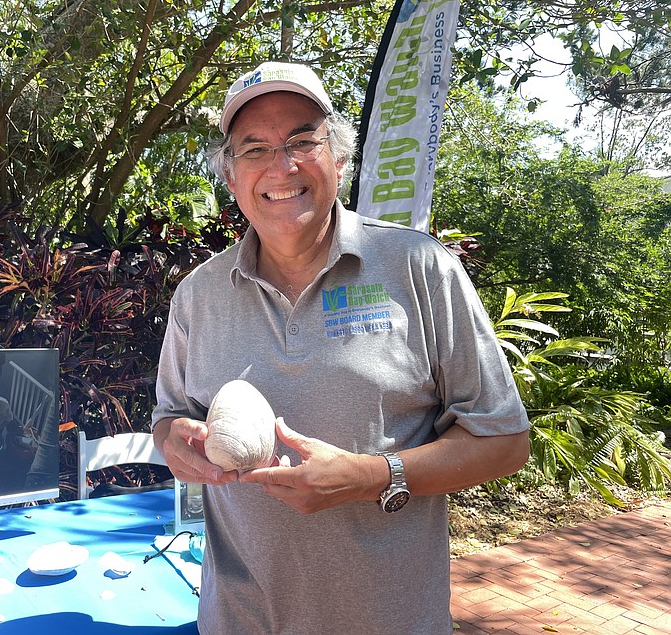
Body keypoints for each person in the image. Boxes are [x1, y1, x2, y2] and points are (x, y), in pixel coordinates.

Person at [151, 61, 531, 634]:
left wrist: (375, 475)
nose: (282, 166)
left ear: (340, 157)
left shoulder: (420, 267)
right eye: (254, 150)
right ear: (230, 177)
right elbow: (168, 417)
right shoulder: (198, 295)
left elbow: (503, 439)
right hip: (238, 619)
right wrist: (174, 440)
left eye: (303, 141)